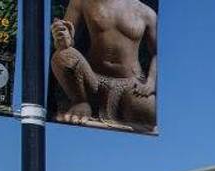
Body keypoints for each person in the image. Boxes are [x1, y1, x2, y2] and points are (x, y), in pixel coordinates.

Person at [50, 0, 157, 131]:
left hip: (130, 83)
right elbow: (65, 42)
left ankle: (121, 119)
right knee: (63, 56)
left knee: (149, 113)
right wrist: (62, 37)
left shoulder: (147, 13)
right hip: (93, 78)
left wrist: (150, 82)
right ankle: (80, 101)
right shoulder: (82, 2)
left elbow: (157, 53)